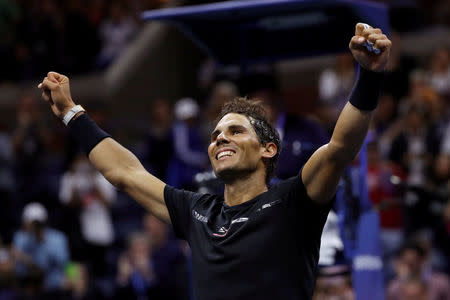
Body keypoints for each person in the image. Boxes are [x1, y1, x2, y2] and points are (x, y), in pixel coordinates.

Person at [38, 23, 391, 300]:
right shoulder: (198, 212)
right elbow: (125, 172)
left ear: (268, 149)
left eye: (236, 131)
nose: (220, 138)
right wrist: (71, 114)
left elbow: (341, 146)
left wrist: (370, 76)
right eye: (216, 135)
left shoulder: (293, 201)